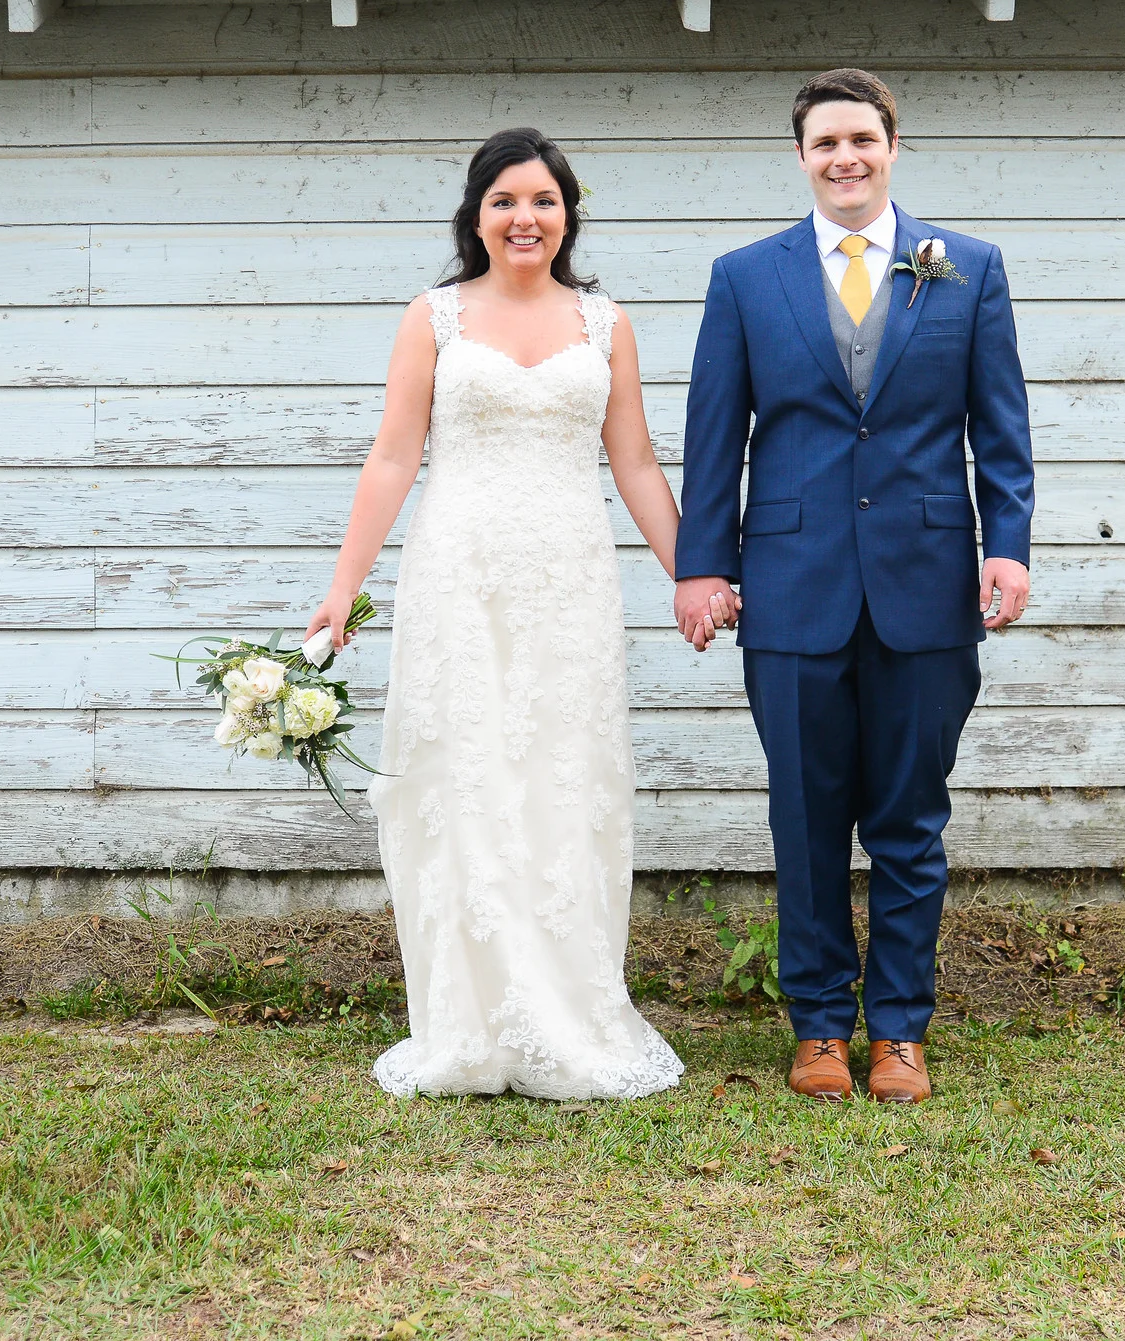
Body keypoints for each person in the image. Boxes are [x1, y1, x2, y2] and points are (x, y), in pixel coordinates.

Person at [304, 127, 723, 1100]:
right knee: (465, 786)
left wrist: (691, 572)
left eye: (542, 200)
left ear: (566, 213)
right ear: (476, 216)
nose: (524, 217)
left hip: (569, 586)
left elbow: (635, 464)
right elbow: (392, 459)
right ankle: (469, 1024)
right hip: (460, 579)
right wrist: (342, 588)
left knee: (561, 786)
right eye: (504, 201)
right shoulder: (434, 318)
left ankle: (568, 1013)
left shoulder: (604, 323)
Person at [673, 69, 1036, 1105]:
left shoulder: (966, 268)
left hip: (926, 584)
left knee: (910, 818)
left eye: (862, 139)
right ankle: (821, 1025)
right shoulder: (745, 277)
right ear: (800, 156)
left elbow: (999, 426)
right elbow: (716, 438)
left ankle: (902, 1031)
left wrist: (1004, 543)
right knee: (805, 816)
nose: (845, 157)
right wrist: (705, 563)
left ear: (892, 145)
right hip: (790, 585)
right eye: (826, 141)